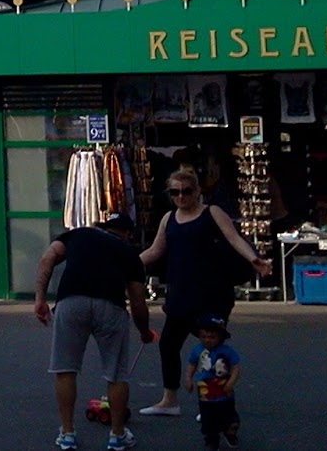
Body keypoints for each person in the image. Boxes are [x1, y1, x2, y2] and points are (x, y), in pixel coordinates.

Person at [136, 169, 271, 416]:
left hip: (212, 291)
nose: (181, 197)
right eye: (174, 192)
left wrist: (254, 259)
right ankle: (169, 400)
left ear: (197, 191)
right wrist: (127, 264)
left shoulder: (212, 213)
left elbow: (234, 239)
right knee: (168, 344)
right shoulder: (169, 218)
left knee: (211, 348)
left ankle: (215, 398)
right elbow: (156, 250)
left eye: (186, 192)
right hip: (181, 292)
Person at [33, 212, 154, 451]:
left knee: (65, 369)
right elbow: (138, 302)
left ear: (103, 226)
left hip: (71, 302)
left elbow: (47, 259)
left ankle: (67, 434)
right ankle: (117, 435)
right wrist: (144, 331)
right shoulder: (130, 254)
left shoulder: (78, 234)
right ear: (128, 234)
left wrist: (40, 299)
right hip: (111, 306)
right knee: (116, 374)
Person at [185, 315, 242, 450]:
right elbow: (191, 364)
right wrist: (188, 379)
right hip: (205, 388)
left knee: (228, 413)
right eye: (203, 337)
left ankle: (230, 430)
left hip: (224, 387)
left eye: (212, 337)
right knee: (208, 417)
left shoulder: (226, 351)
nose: (207, 340)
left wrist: (231, 382)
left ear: (220, 337)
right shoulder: (197, 350)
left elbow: (235, 367)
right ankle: (211, 438)